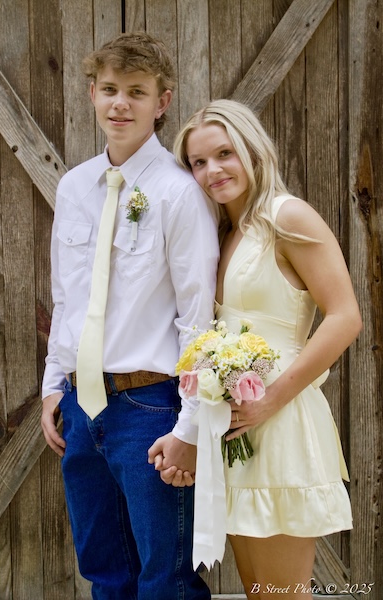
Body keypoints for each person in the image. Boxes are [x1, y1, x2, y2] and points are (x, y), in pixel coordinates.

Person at [149, 99, 362, 598]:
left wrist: (271, 400)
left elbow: (345, 317)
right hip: (235, 430)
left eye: (224, 153)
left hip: (280, 421)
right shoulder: (223, 233)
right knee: (259, 590)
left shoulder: (288, 217)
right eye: (198, 162)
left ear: (252, 149)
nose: (212, 170)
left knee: (281, 593)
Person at [40, 32, 219, 600]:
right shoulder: (74, 187)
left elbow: (197, 320)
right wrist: (53, 386)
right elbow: (67, 298)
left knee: (165, 579)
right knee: (105, 573)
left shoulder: (179, 193)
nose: (120, 103)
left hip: (151, 408)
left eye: (136, 92)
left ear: (161, 103)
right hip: (80, 406)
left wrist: (189, 427)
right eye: (110, 89)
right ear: (92, 93)